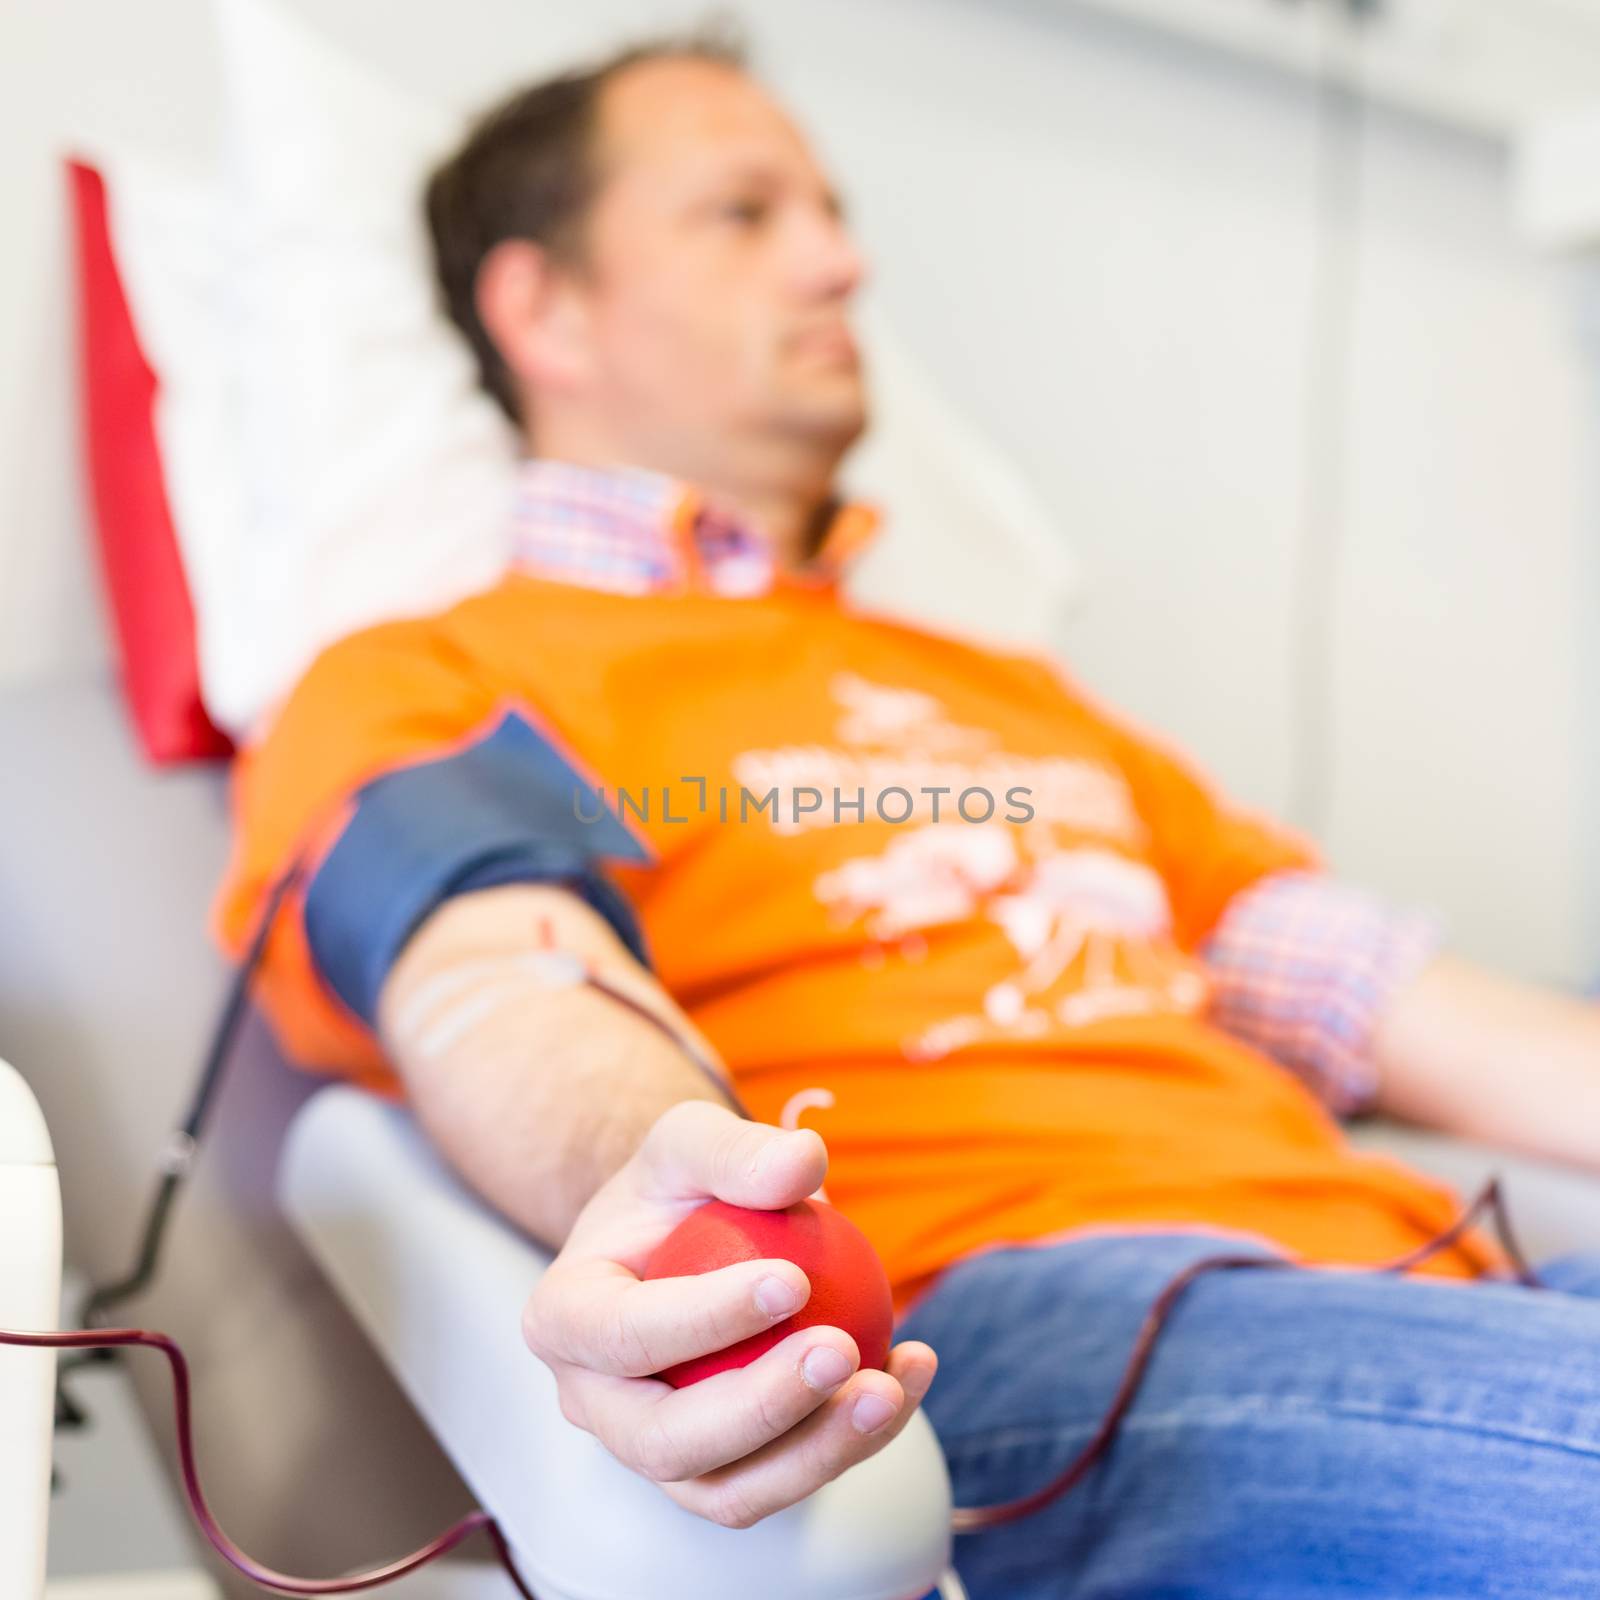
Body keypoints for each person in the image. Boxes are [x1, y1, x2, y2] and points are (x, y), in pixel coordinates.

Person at [215, 29, 1600, 1595]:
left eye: (830, 211)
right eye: (745, 215)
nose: (839, 261)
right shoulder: (449, 669)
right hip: (1044, 1328)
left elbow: (1379, 992)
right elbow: (501, 970)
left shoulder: (1017, 692)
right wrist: (670, 1201)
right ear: (543, 307)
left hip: (1462, 1284)